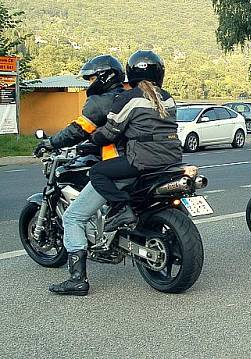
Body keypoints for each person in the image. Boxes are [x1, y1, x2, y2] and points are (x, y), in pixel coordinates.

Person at [42, 55, 126, 296]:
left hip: (115, 164)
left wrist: (50, 143)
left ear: (103, 77)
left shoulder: (100, 101)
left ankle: (77, 279)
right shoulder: (130, 96)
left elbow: (78, 130)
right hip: (142, 161)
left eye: (90, 78)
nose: (88, 83)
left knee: (72, 217)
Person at [89, 50, 182, 232]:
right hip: (173, 157)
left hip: (142, 159)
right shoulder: (168, 98)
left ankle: (122, 208)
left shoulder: (128, 98)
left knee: (96, 172)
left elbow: (110, 132)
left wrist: (94, 137)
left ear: (131, 72)